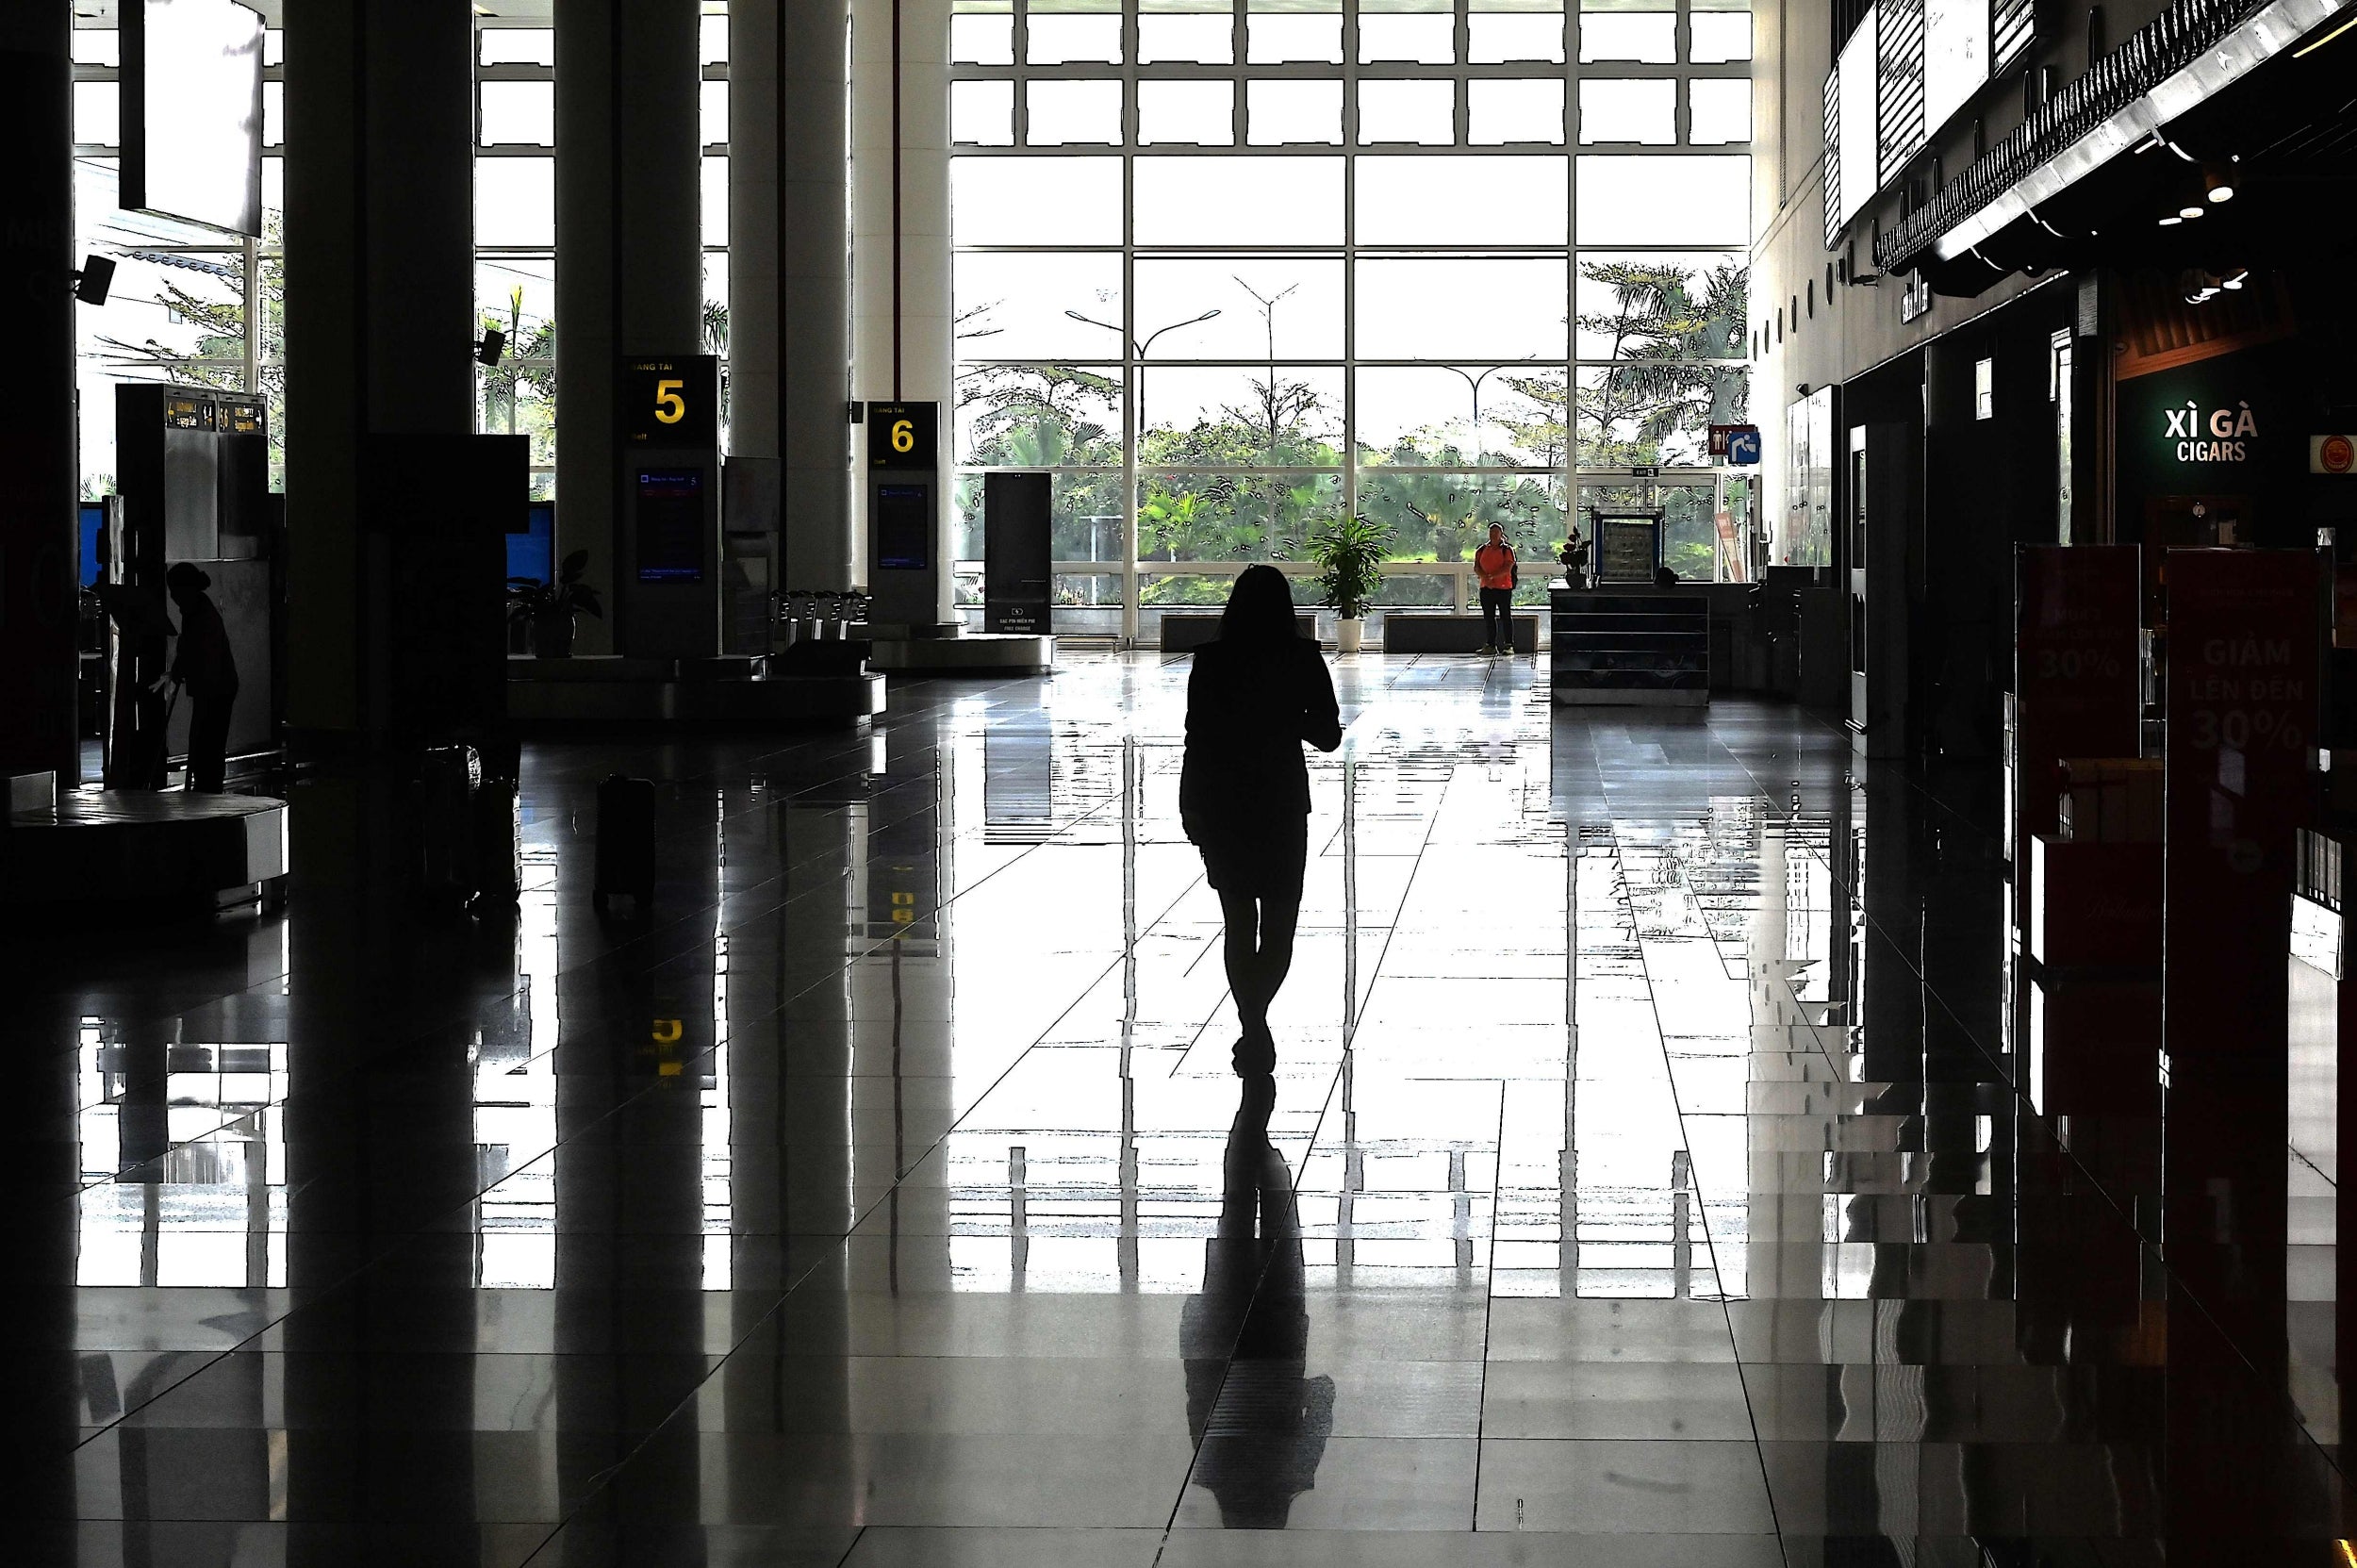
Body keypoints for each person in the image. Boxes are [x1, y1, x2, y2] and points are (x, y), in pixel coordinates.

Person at [1180, 565, 1342, 1076]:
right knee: (1278, 926)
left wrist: (1191, 805)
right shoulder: (1301, 657)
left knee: (1237, 922)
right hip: (1281, 803)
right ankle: (1256, 1020)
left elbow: (1196, 737)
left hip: (1225, 802)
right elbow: (1329, 736)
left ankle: (1251, 1023)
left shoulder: (1211, 661)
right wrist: (1284, 716)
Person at [165, 562, 238, 792]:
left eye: (174, 591)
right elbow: (188, 650)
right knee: (204, 742)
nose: (173, 596)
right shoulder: (195, 609)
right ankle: (206, 787)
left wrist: (179, 673)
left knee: (208, 742)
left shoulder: (200, 615)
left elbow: (200, 655)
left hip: (215, 688)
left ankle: (208, 789)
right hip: (214, 686)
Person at [1474, 523, 1518, 654]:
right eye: (1491, 532)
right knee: (1489, 617)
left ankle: (1509, 644)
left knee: (1505, 616)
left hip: (1503, 588)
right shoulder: (1482, 549)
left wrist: (1492, 577)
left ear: (1501, 534)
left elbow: (1507, 567)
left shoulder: (1507, 550)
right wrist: (1486, 578)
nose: (1493, 535)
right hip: (1486, 588)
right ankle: (1490, 644)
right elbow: (1477, 567)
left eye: (1496, 532)